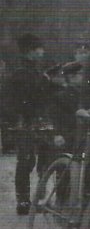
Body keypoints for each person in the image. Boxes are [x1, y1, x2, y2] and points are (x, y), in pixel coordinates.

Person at [8, 33, 59, 215]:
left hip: (38, 123)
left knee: (42, 161)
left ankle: (36, 199)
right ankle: (25, 201)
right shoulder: (21, 74)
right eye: (38, 48)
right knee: (27, 162)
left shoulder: (34, 72)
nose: (41, 51)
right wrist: (46, 81)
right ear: (30, 51)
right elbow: (26, 98)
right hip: (28, 123)